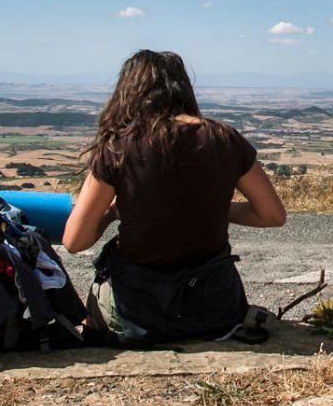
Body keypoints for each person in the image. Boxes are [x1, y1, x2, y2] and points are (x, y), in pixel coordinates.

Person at [62, 50, 286, 346]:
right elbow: (273, 215)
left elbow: (75, 241)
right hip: (215, 312)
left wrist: (114, 213)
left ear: (128, 91)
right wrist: (215, 209)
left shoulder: (118, 148)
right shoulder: (225, 139)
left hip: (135, 315)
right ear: (183, 88)